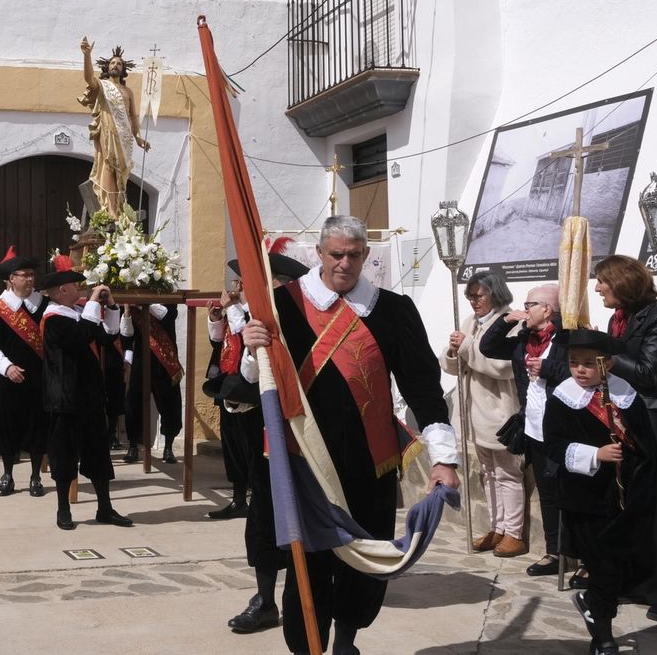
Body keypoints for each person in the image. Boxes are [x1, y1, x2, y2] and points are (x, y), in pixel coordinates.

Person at [242, 215, 458, 655]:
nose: (344, 263)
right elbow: (254, 381)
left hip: (369, 463)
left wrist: (443, 459)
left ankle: (346, 642)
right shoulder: (281, 304)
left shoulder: (394, 310)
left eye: (354, 255)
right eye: (335, 254)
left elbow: (423, 388)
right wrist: (251, 347)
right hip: (303, 461)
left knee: (363, 562)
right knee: (310, 564)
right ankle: (308, 648)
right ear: (319, 254)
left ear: (366, 255)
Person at [545, 330, 657, 655]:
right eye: (573, 363)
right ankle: (604, 636)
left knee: (621, 566)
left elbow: (644, 441)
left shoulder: (625, 394)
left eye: (588, 364)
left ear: (607, 364)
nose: (580, 370)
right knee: (603, 566)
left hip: (625, 497)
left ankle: (593, 604)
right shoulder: (563, 398)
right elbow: (554, 445)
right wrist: (596, 455)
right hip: (586, 497)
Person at [214, 249, 309, 635]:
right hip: (266, 432)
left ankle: (309, 594)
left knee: (308, 517)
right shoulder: (257, 322)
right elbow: (249, 373)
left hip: (305, 433)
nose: (248, 288)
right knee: (265, 515)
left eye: (261, 281)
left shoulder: (303, 322)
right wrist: (253, 347)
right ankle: (266, 600)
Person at [590, 255, 657, 617]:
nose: (597, 288)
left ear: (622, 282)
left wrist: (608, 357)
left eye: (603, 282)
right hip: (627, 429)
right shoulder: (620, 320)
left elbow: (648, 373)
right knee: (636, 513)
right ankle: (641, 581)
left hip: (653, 433)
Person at [480, 283, 571, 578]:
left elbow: (577, 372)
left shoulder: (567, 338)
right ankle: (554, 552)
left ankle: (579, 554)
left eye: (530, 304)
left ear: (547, 309)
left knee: (571, 494)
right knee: (547, 493)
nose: (525, 309)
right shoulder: (523, 340)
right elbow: (488, 347)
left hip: (565, 428)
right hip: (534, 427)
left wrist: (546, 369)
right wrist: (506, 320)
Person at [38, 256, 133, 531]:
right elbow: (80, 337)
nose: (79, 290)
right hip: (65, 398)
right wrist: (92, 301)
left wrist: (111, 306)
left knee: (98, 454)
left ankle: (105, 507)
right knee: (64, 455)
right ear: (62, 291)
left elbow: (106, 336)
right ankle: (63, 509)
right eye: (74, 286)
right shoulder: (54, 318)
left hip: (89, 396)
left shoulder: (79, 314)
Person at [442, 270, 525, 556]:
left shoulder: (510, 322)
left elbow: (503, 367)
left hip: (498, 409)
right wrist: (453, 352)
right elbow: (453, 366)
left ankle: (514, 532)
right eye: (470, 295)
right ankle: (497, 527)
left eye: (479, 295)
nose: (473, 301)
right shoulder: (470, 322)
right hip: (474, 412)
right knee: (488, 473)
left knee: (507, 472)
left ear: (495, 293)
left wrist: (465, 347)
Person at [0, 247, 48, 496]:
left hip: (38, 377)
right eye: (23, 274)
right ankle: (8, 475)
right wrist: (7, 367)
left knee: (37, 427)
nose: (29, 279)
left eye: (32, 274)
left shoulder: (44, 305)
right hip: (8, 379)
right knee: (8, 427)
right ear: (11, 279)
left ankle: (34, 477)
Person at [77, 37, 149, 214]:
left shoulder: (128, 91)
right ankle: (110, 210)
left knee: (122, 173)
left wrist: (137, 137)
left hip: (124, 136)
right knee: (110, 164)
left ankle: (118, 207)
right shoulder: (103, 86)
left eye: (119, 64)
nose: (115, 65)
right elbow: (88, 78)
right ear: (107, 67)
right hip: (108, 129)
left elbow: (132, 115)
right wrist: (87, 56)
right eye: (112, 63)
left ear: (123, 70)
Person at [123, 301, 184, 465]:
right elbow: (127, 334)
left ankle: (168, 447)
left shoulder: (168, 303)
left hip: (164, 361)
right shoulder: (136, 308)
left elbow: (165, 315)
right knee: (134, 403)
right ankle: (133, 445)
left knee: (169, 403)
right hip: (140, 359)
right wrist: (128, 312)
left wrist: (145, 302)